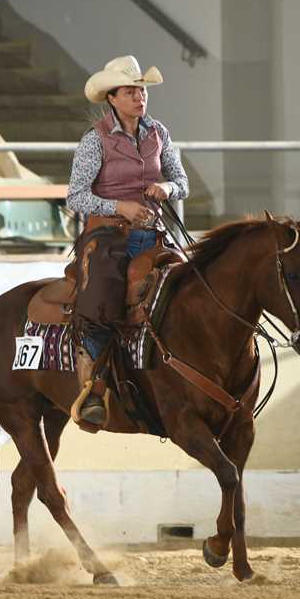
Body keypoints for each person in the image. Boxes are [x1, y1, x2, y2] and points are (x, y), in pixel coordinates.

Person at [66, 55, 189, 425]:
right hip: (107, 237)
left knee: (191, 285)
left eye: (142, 91)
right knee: (101, 298)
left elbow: (182, 182)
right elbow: (75, 197)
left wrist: (167, 188)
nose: (140, 97)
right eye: (130, 92)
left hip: (153, 235)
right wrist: (119, 206)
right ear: (112, 98)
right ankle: (94, 389)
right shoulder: (95, 140)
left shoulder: (159, 133)